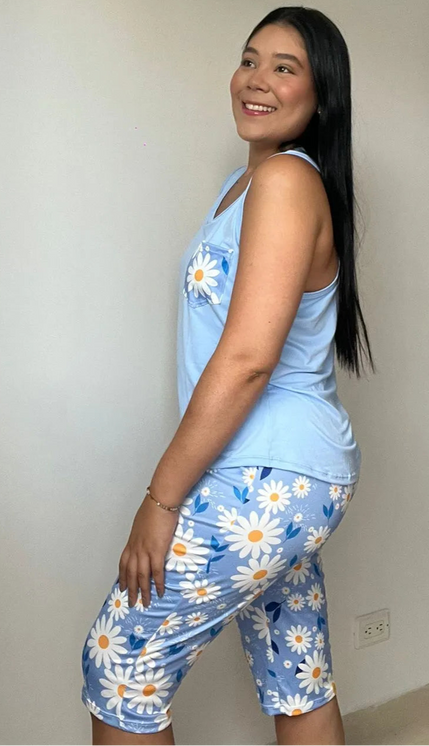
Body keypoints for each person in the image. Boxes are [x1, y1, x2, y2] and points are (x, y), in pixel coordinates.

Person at [81, 6, 375, 745]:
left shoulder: (285, 181)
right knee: (296, 674)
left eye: (285, 67)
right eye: (249, 60)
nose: (257, 79)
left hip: (264, 472)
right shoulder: (245, 186)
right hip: (289, 474)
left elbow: (247, 360)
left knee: (121, 670)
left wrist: (160, 499)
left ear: (321, 96)